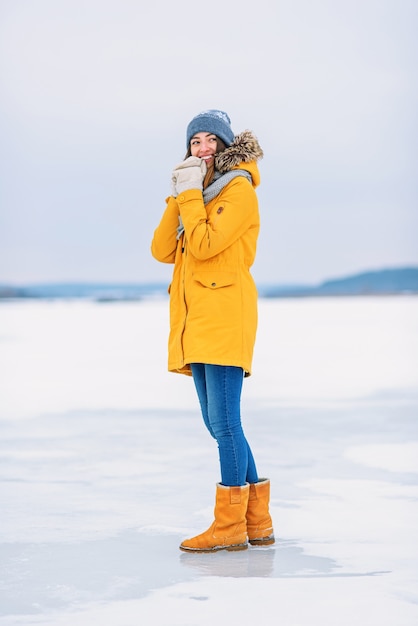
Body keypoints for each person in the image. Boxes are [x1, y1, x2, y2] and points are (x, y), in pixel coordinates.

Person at [151, 109, 274, 552]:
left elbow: (202, 246)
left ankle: (229, 528)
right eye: (194, 142)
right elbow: (163, 249)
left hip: (224, 315)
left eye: (209, 140)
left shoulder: (238, 190)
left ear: (224, 146)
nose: (202, 149)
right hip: (197, 319)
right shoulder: (197, 193)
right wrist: (179, 194)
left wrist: (191, 199)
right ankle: (256, 523)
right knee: (218, 423)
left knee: (225, 423)